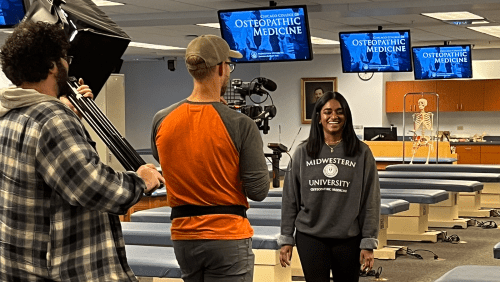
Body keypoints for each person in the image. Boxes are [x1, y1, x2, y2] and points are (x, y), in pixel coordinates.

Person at [0, 21, 165, 281]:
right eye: (66, 58)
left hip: (20, 266)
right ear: (53, 65)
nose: (69, 65)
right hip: (65, 270)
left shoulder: (9, 113)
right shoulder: (52, 119)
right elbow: (94, 187)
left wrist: (67, 113)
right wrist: (141, 180)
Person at [151, 34, 270, 282]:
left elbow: (168, 160)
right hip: (227, 236)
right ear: (221, 68)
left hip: (183, 237)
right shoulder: (240, 124)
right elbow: (258, 190)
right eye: (229, 65)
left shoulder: (162, 119)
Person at [279, 91, 380, 282]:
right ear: (319, 118)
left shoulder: (362, 153)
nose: (334, 116)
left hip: (348, 237)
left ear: (346, 117)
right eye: (327, 112)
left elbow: (370, 200)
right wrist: (286, 238)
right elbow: (290, 199)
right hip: (310, 236)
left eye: (339, 112)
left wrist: (368, 242)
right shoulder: (302, 152)